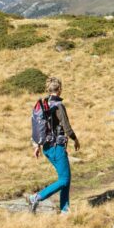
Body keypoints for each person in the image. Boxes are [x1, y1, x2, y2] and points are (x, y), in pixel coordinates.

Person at [28, 76, 81, 214]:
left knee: (66, 177)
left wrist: (36, 146)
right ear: (60, 90)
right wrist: (75, 139)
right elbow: (66, 127)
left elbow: (36, 126)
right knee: (64, 179)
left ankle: (65, 210)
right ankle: (37, 197)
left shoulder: (43, 105)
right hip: (57, 148)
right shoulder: (58, 106)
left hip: (46, 148)